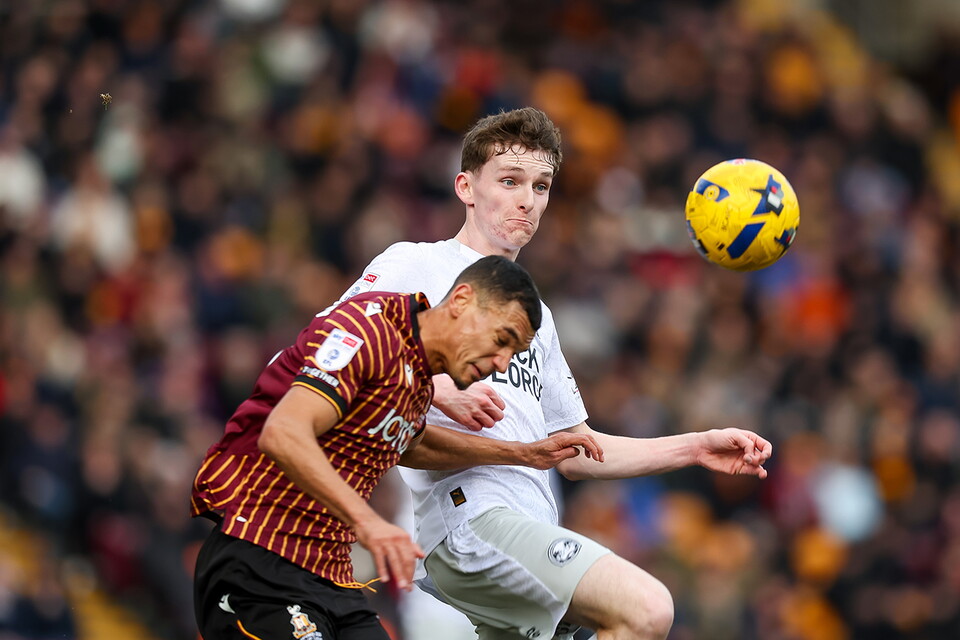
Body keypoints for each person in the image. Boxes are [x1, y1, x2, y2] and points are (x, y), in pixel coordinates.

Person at [340, 107, 774, 640]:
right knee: (646, 609)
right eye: (510, 181)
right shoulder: (417, 264)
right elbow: (338, 345)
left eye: (540, 186)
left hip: (529, 525)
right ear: (466, 187)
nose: (527, 199)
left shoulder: (536, 318)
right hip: (472, 519)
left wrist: (696, 446)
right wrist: (437, 386)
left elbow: (575, 452)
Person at [190, 254, 604, 640]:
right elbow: (282, 432)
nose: (502, 362)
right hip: (258, 556)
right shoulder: (368, 330)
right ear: (461, 300)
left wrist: (522, 454)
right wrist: (368, 523)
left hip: (331, 574)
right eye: (502, 339)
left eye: (514, 352)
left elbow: (411, 442)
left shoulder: (418, 375)